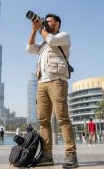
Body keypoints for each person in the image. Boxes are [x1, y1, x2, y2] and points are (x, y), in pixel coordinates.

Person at [26, 13, 78, 168]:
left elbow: (51, 40)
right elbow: (29, 48)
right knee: (43, 121)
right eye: (45, 21)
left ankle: (71, 155)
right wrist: (34, 30)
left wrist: (40, 26)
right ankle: (47, 155)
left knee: (62, 118)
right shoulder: (42, 44)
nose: (46, 24)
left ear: (57, 24)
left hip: (57, 81)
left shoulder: (64, 36)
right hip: (42, 83)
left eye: (49, 22)